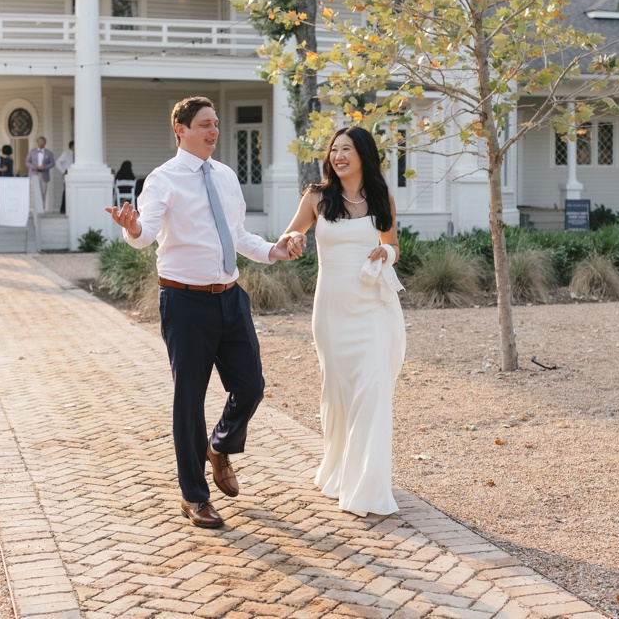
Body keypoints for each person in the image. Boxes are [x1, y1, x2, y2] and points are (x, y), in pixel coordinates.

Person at [106, 96, 296, 529]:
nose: (213, 131)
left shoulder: (226, 176)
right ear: (181, 129)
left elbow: (238, 234)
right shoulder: (163, 179)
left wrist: (273, 250)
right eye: (205, 125)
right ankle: (194, 496)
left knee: (251, 386)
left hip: (230, 297)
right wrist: (132, 227)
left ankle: (220, 445)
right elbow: (146, 233)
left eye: (215, 124)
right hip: (185, 302)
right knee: (188, 400)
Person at [277, 126, 405, 517]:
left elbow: (392, 244)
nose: (339, 156)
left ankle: (367, 486)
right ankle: (338, 468)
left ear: (364, 154)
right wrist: (293, 241)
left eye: (347, 149)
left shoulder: (382, 197)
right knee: (339, 395)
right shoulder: (316, 196)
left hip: (373, 311)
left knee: (373, 390)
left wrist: (386, 255)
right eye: (334, 150)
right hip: (332, 313)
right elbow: (290, 235)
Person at [26, 137, 54, 212]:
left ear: (45, 143)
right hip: (34, 173)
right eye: (39, 142)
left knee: (43, 191)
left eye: (42, 142)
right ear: (37, 142)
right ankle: (35, 209)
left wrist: (45, 167)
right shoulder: (32, 151)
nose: (41, 143)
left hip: (44, 174)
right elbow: (27, 162)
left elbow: (52, 163)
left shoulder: (49, 153)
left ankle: (42, 209)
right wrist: (33, 166)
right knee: (34, 191)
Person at [55, 141, 74, 213]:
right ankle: (63, 209)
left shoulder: (78, 154)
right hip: (68, 173)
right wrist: (63, 171)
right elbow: (58, 162)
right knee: (67, 191)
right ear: (72, 146)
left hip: (76, 174)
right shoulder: (66, 153)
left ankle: (71, 208)